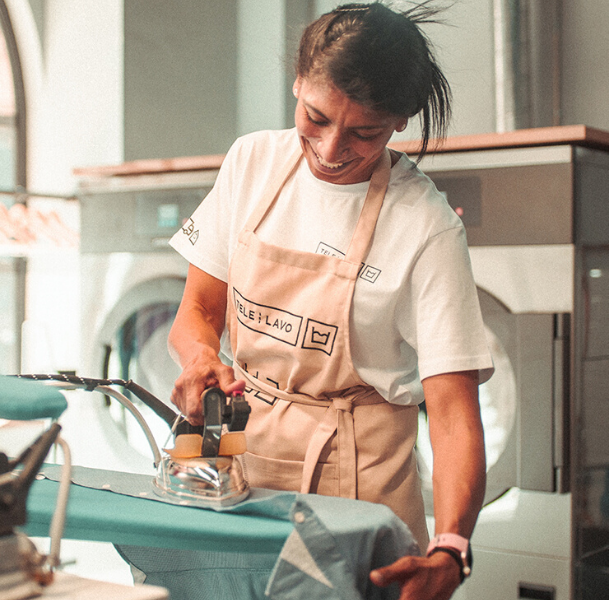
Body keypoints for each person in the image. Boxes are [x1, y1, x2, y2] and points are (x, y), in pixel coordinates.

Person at [168, 2, 493, 599]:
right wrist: (199, 360)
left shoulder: (426, 226)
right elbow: (199, 312)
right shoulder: (252, 163)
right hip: (239, 457)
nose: (331, 147)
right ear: (297, 82)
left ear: (399, 120)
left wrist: (452, 548)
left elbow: (451, 415)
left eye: (364, 132)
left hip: (356, 486)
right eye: (315, 116)